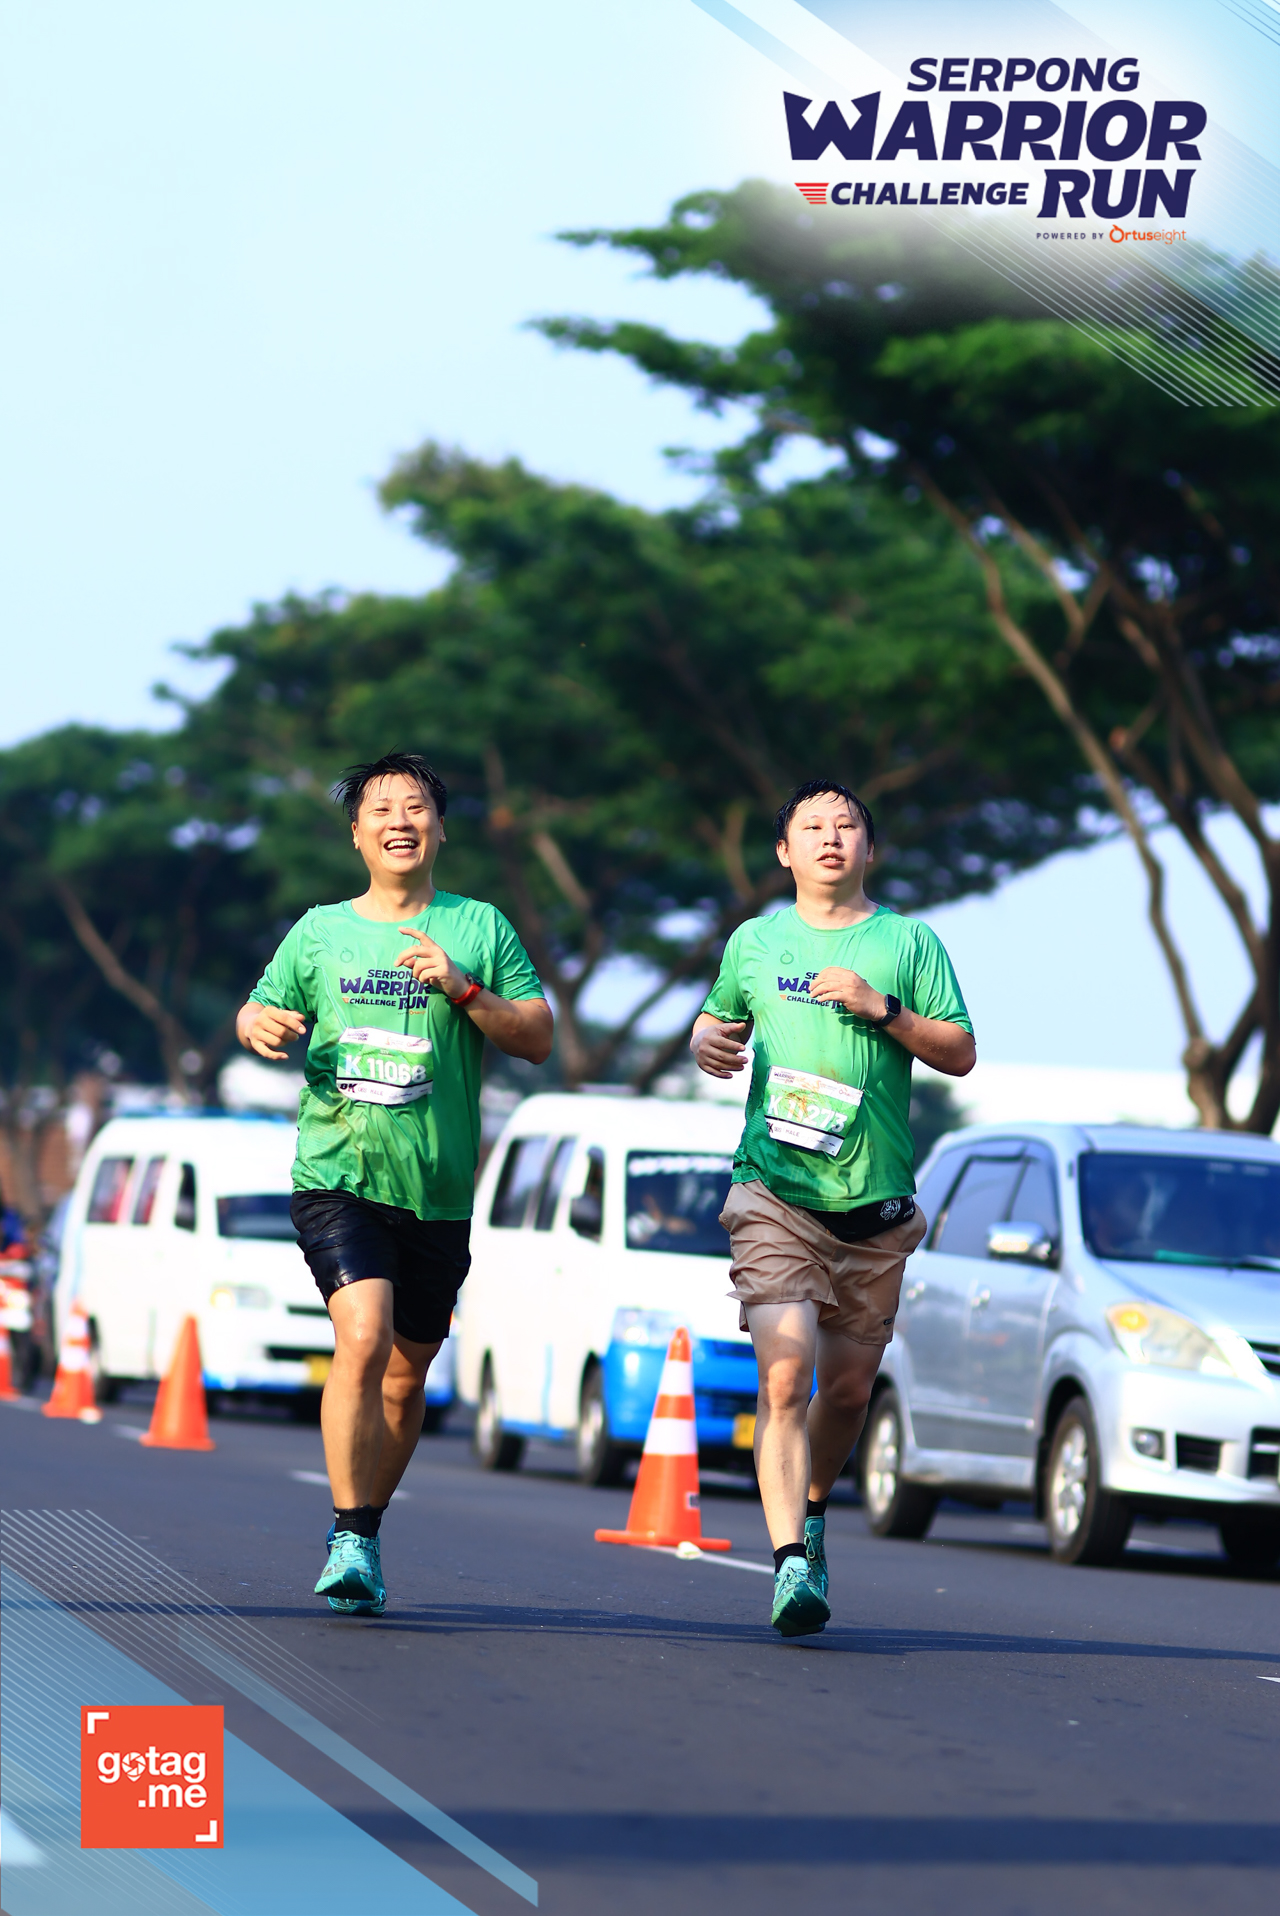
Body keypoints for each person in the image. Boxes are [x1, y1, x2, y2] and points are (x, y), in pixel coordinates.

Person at [236, 752, 552, 1615]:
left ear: (441, 830)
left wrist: (463, 988)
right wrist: (256, 1021)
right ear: (357, 834)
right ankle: (347, 1533)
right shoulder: (319, 932)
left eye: (416, 808)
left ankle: (368, 1528)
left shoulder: (480, 927)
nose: (399, 822)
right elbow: (258, 1005)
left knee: (406, 1379)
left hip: (439, 1190)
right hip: (337, 1172)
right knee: (364, 1334)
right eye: (381, 809)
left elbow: (536, 1038)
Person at [691, 781, 974, 1637]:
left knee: (847, 1392)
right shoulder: (755, 941)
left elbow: (960, 1052)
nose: (829, 837)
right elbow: (715, 1021)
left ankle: (811, 1513)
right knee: (784, 1376)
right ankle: (788, 1564)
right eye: (811, 827)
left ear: (869, 850)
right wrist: (704, 1039)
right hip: (775, 1193)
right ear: (784, 852)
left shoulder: (908, 942)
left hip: (876, 1207)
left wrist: (880, 1007)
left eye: (846, 826)